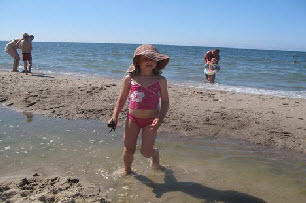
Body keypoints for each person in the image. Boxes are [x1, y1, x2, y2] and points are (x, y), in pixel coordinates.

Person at [108, 44, 170, 175]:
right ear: (138, 62)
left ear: (157, 62)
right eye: (145, 58)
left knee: (145, 152)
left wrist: (159, 119)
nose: (149, 62)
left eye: (153, 59)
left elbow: (164, 101)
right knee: (129, 148)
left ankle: (155, 153)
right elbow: (122, 99)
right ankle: (127, 170)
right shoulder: (129, 79)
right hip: (132, 119)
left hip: (151, 120)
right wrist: (115, 116)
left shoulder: (160, 80)